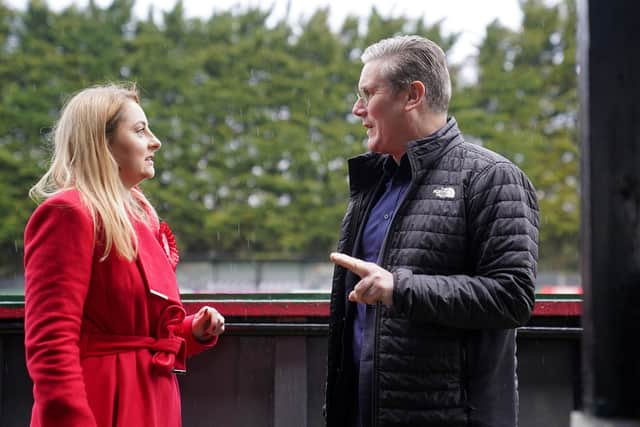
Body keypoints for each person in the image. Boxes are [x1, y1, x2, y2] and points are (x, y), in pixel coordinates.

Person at [324, 35, 539, 427]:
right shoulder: (372, 185)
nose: (357, 109)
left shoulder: (493, 177)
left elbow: (513, 297)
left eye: (367, 93)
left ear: (412, 95)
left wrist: (399, 289)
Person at [23, 83, 225, 427]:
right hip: (100, 404)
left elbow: (139, 336)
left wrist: (193, 332)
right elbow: (51, 343)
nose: (155, 141)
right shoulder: (68, 212)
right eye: (140, 129)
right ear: (102, 144)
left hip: (153, 402)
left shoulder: (139, 218)